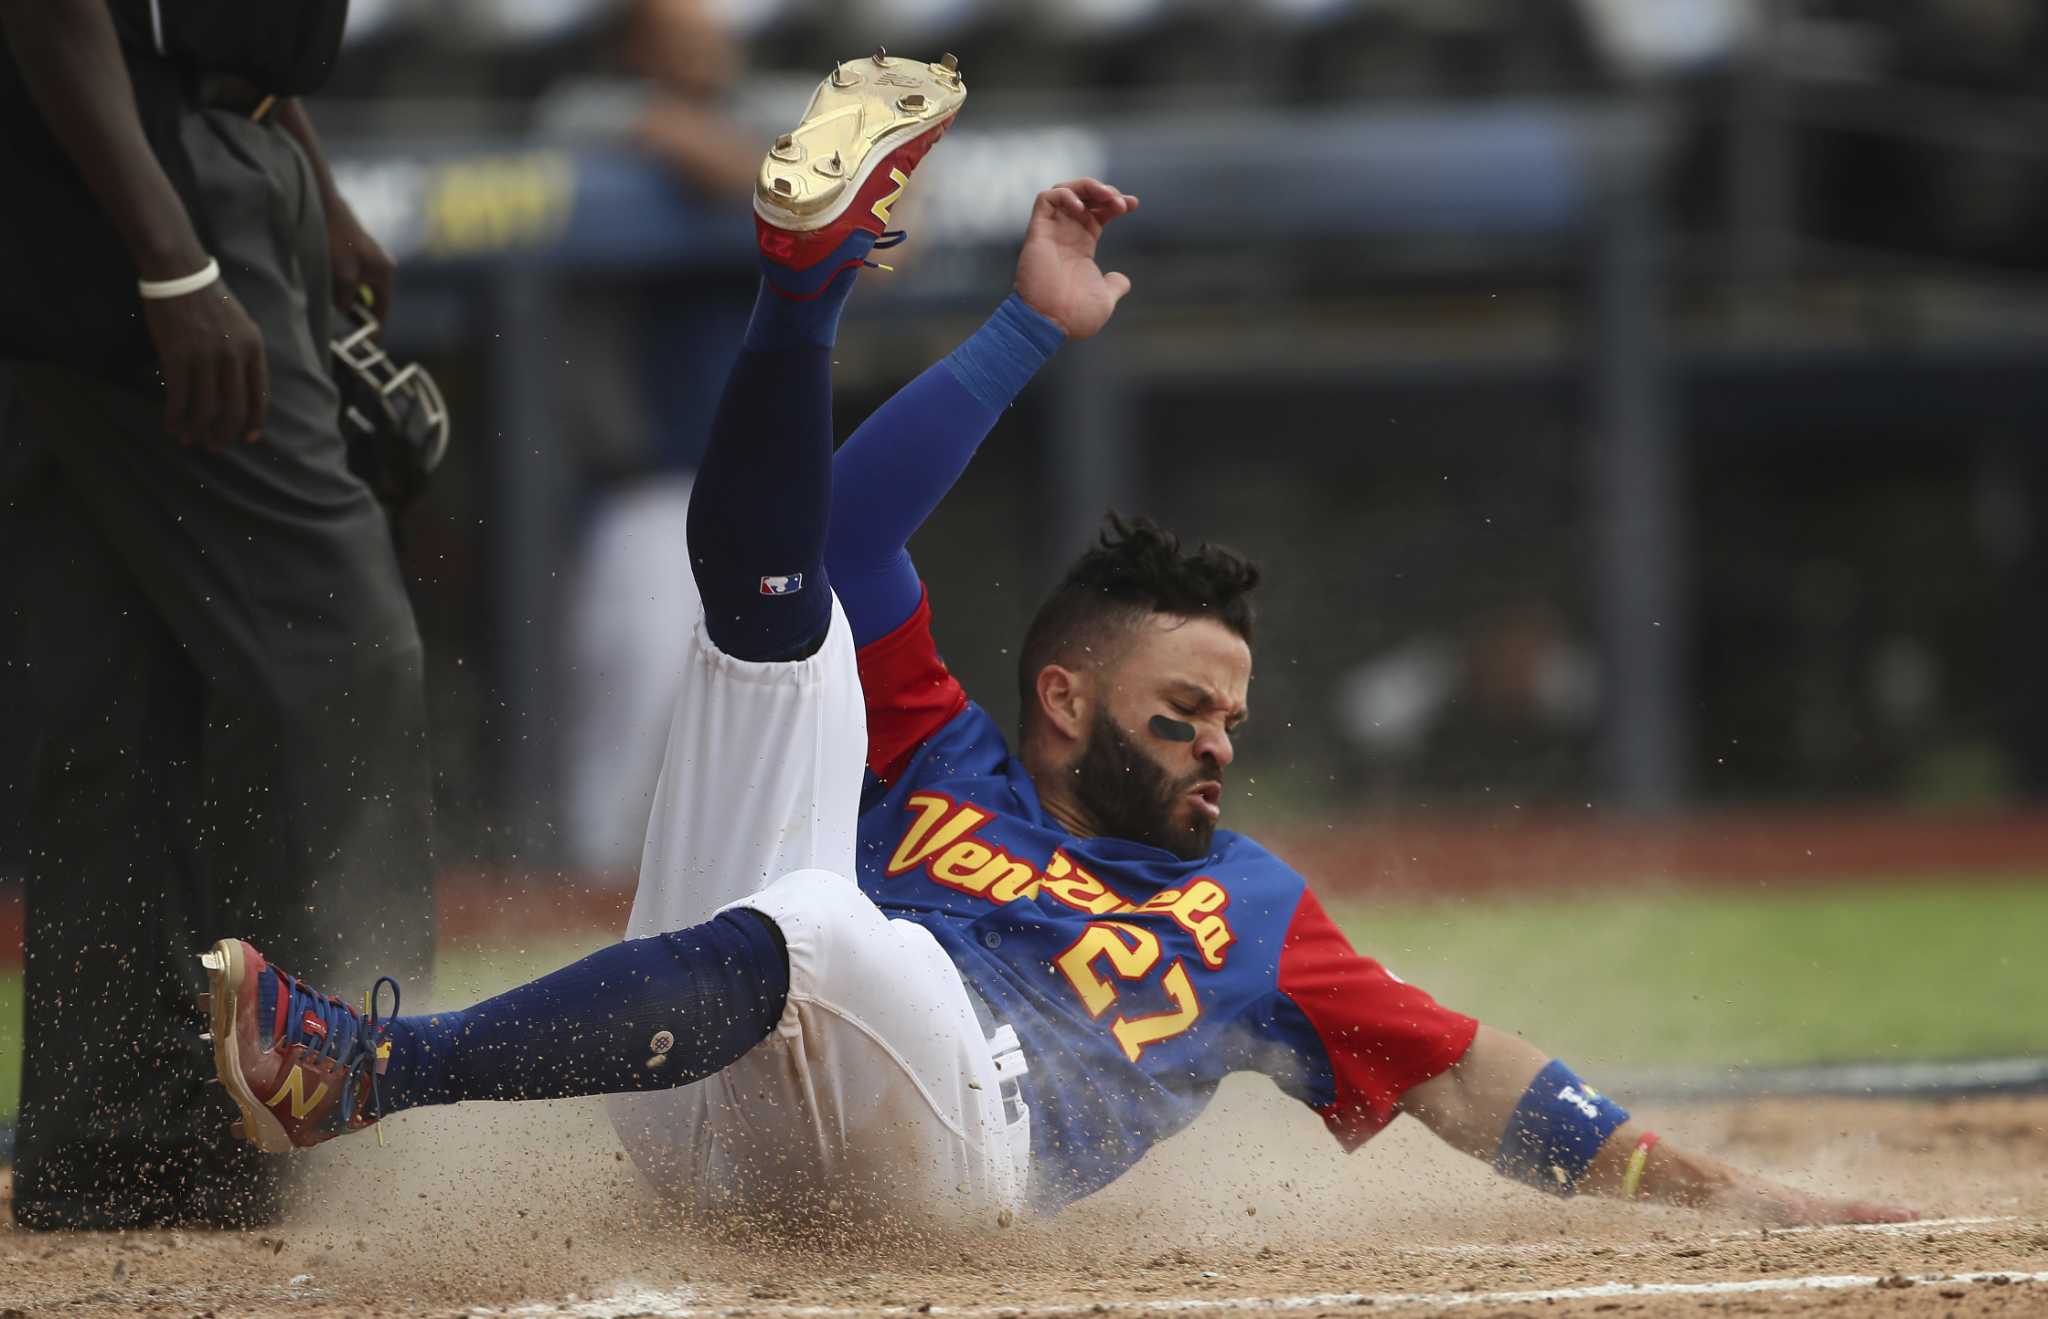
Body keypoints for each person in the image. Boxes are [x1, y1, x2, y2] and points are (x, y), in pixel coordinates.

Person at [198, 53, 1912, 1230]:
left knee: (815, 920)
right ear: (1067, 694)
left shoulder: (1250, 907)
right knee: (768, 632)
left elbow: (1468, 1075)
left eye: (1227, 716)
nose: (1217, 744)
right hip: (713, 1113)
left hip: (965, 1140)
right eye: (1183, 710)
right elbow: (843, 536)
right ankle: (797, 290)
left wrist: (1723, 1190)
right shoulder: (941, 742)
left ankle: (370, 1068)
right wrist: (1028, 327)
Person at [0, 1, 433, 1228]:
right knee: (341, 652)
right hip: (145, 179)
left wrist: (307, 174)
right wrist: (175, 257)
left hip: (171, 154)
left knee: (128, 688)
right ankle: (351, 1133)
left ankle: (127, 1151)